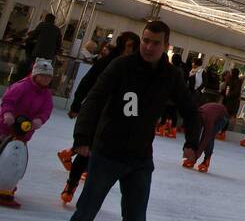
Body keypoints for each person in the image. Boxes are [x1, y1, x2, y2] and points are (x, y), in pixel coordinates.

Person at [41, 20, 199, 221]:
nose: (148, 47)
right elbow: (95, 98)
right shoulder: (121, 66)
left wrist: (192, 142)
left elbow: (190, 110)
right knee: (84, 216)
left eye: (155, 42)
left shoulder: (171, 75)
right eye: (145, 40)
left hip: (140, 160)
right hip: (107, 153)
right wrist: (83, 137)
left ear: (166, 45)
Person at [60, 31, 140, 205]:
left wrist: (132, 119)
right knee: (85, 151)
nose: (130, 51)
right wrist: (76, 105)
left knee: (100, 156)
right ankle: (71, 184)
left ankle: (87, 195)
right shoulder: (107, 63)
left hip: (115, 118)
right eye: (128, 46)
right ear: (120, 45)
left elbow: (133, 95)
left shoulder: (135, 69)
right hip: (97, 112)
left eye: (133, 48)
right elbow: (87, 82)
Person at [0, 58, 55, 205]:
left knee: (15, 158)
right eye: (43, 75)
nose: (45, 79)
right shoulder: (22, 86)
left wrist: (39, 120)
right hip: (6, 128)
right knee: (2, 152)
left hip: (24, 132)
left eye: (48, 77)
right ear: (35, 74)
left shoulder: (46, 95)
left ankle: (8, 184)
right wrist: (8, 114)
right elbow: (8, 101)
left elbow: (46, 110)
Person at [13, 13, 62, 81]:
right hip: (49, 56)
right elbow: (59, 44)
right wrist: (54, 53)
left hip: (38, 53)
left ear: (46, 19)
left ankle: (29, 81)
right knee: (43, 72)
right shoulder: (57, 30)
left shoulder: (42, 25)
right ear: (54, 21)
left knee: (32, 69)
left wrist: (26, 40)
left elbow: (33, 36)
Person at [184, 101, 227, 173]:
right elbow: (194, 134)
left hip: (222, 118)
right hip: (212, 112)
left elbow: (206, 138)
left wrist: (196, 155)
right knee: (200, 135)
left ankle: (207, 159)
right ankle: (193, 157)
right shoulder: (197, 115)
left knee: (209, 137)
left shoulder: (208, 119)